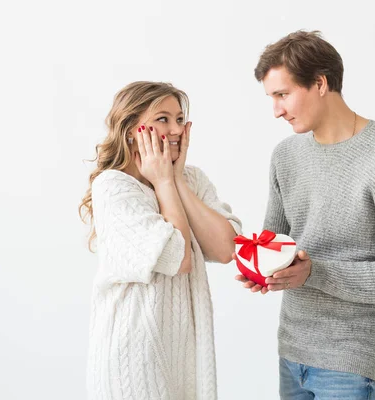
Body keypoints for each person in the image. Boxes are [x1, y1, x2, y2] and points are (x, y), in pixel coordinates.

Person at [235, 30, 375, 399]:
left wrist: (314, 272)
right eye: (271, 97)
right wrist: (263, 268)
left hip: (350, 360)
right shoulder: (285, 155)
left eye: (282, 94)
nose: (276, 110)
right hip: (291, 350)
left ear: (320, 83)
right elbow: (274, 241)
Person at [80, 81, 241, 400]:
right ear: (130, 129)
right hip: (132, 362)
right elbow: (177, 259)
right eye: (163, 119)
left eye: (180, 119)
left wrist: (177, 179)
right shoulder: (113, 187)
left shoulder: (191, 178)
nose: (176, 129)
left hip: (184, 358)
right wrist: (165, 180)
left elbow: (226, 249)